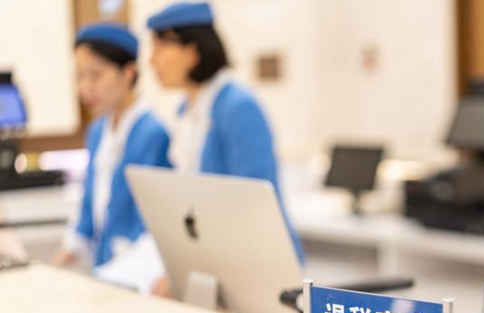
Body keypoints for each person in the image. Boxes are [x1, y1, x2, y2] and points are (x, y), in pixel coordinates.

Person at [98, 2, 304, 296]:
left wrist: (181, 274)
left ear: (192, 51)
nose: (152, 61)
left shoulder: (238, 107)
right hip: (215, 271)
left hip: (260, 275)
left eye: (159, 48)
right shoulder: (188, 111)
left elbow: (254, 211)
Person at [52, 23, 171, 270]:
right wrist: (57, 263)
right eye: (79, 77)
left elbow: (153, 225)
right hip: (107, 267)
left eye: (95, 75)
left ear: (128, 73)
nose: (85, 88)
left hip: (137, 271)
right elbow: (89, 208)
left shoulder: (152, 133)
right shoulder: (98, 131)